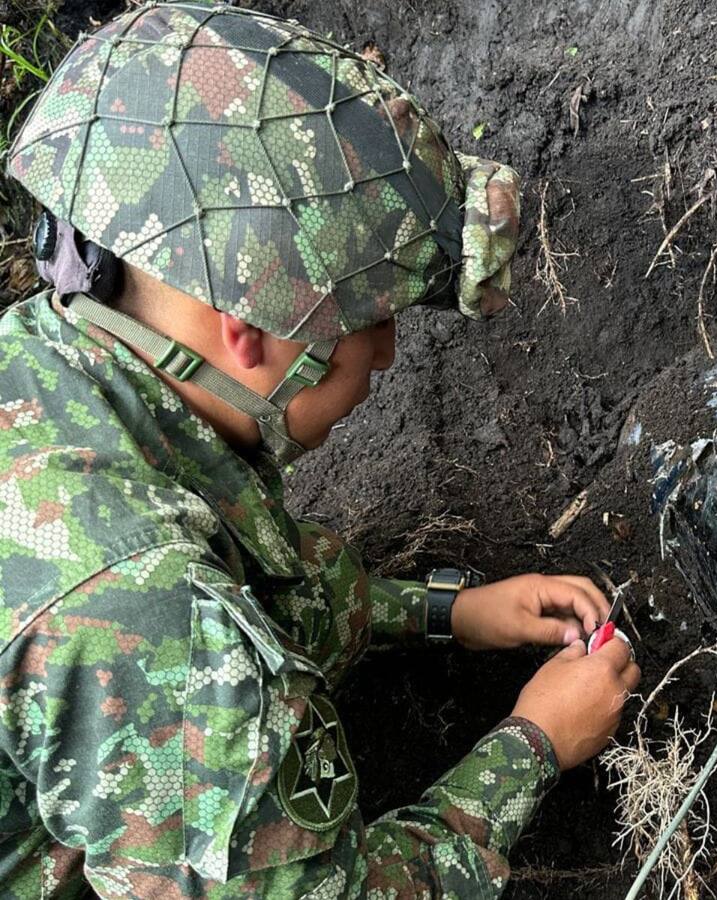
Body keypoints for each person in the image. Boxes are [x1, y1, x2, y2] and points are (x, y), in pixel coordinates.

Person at [0, 2, 640, 896]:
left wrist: (444, 614)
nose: (383, 356)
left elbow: (253, 576)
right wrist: (531, 745)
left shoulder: (50, 359)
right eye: (366, 328)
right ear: (249, 335)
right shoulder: (150, 623)